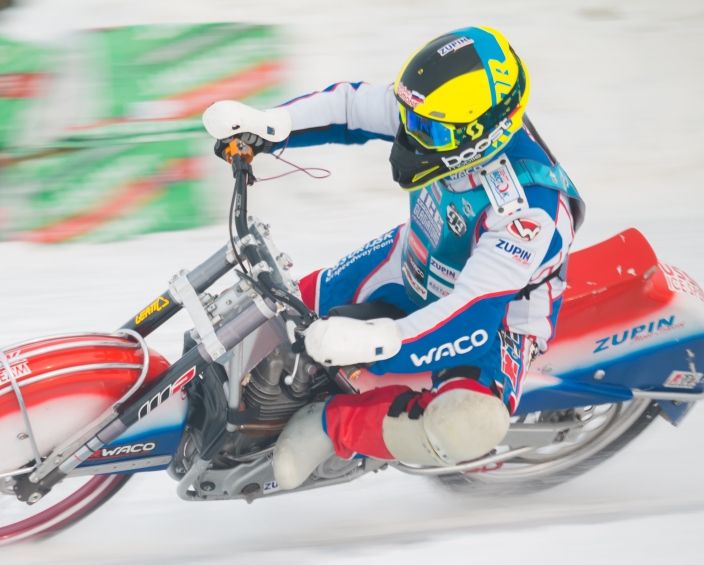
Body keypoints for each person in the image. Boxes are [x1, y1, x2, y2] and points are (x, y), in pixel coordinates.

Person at [202, 25, 584, 489]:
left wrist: (376, 342)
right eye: (409, 116)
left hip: (497, 319)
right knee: (274, 310)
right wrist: (269, 126)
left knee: (469, 423)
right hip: (417, 256)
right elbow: (352, 108)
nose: (408, 134)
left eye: (425, 129)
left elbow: (470, 312)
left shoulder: (530, 212)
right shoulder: (439, 116)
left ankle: (332, 426)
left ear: (481, 137)